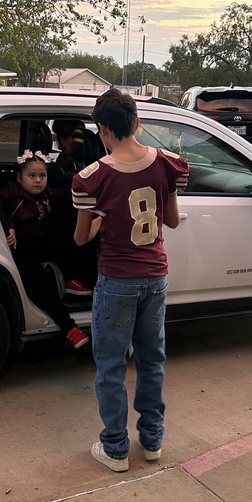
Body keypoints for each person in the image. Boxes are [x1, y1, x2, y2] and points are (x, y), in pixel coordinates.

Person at [72, 88, 189, 472]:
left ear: (102, 129)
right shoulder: (170, 164)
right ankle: (152, 441)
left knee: (111, 366)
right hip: (155, 276)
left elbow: (80, 238)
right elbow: (169, 220)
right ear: (137, 122)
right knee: (152, 360)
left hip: (117, 280)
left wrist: (105, 218)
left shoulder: (91, 177)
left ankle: (116, 449)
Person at [0, 150, 89, 350]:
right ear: (19, 177)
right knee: (42, 281)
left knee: (71, 236)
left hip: (42, 242)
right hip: (22, 249)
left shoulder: (47, 193)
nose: (38, 180)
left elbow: (65, 193)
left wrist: (87, 179)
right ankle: (69, 328)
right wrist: (9, 226)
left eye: (42, 176)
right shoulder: (9, 193)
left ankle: (70, 280)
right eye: (32, 176)